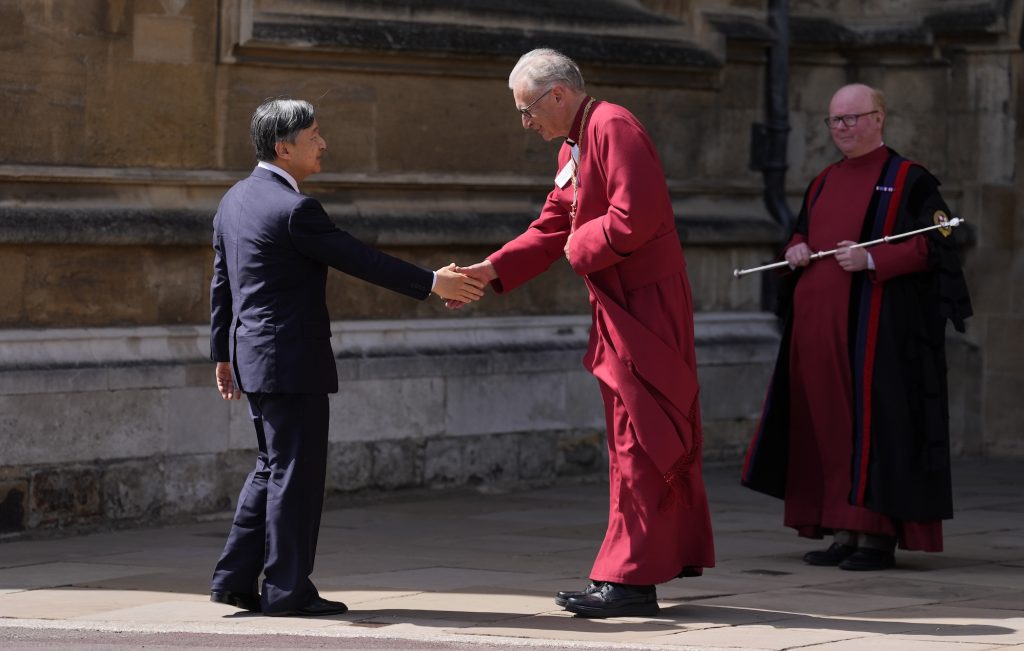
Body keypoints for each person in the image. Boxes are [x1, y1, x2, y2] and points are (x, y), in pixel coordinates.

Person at [451, 49, 715, 618]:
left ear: (558, 96)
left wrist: (579, 248)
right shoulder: (577, 142)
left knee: (641, 436)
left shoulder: (613, 125)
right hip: (619, 301)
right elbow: (552, 222)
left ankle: (631, 580)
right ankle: (627, 574)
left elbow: (633, 217)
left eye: (527, 111)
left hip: (646, 304)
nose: (526, 123)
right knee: (628, 436)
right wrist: (489, 270)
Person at [209, 97, 485, 616]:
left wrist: (222, 354)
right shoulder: (295, 209)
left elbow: (222, 284)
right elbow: (359, 258)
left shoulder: (233, 200)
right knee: (295, 473)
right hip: (291, 361)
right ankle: (287, 590)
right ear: (282, 146)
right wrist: (432, 282)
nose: (323, 143)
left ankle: (234, 579)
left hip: (253, 357)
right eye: (313, 135)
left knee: (271, 466)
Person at [741, 84, 972, 571]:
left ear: (879, 119)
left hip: (876, 337)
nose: (842, 128)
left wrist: (872, 257)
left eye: (852, 118)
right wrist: (795, 249)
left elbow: (941, 242)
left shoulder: (911, 179)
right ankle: (842, 529)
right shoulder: (823, 180)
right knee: (826, 428)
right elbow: (802, 231)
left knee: (876, 427)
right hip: (817, 332)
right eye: (834, 121)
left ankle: (876, 537)